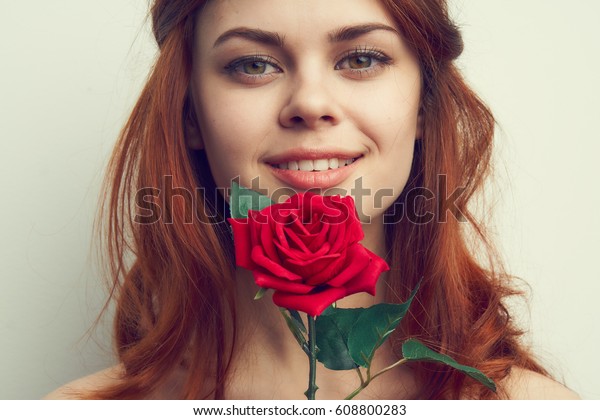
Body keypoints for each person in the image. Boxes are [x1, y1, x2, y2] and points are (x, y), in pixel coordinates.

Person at [46, 0, 579, 399]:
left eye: (362, 58)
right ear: (190, 115)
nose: (310, 103)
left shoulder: (534, 406)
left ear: (424, 105)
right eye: (253, 64)